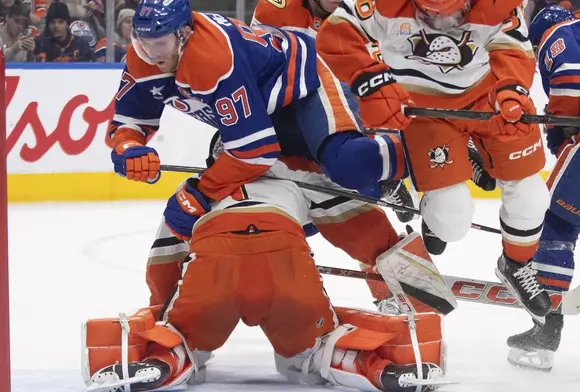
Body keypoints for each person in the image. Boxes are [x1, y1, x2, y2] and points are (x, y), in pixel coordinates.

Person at [107, 0, 430, 316]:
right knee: (298, 189)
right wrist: (129, 149)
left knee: (347, 165)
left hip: (306, 85)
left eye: (159, 43)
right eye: (142, 42)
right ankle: (164, 311)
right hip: (261, 118)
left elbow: (255, 152)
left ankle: (430, 152)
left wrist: (199, 193)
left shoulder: (213, 57)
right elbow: (127, 123)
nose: (152, 54)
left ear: (184, 34)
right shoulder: (144, 57)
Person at [86, 155, 446, 392]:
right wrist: (413, 292)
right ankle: (372, 366)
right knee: (316, 349)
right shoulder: (302, 174)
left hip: (213, 263)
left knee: (183, 338)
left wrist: (168, 320)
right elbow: (369, 235)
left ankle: (165, 359)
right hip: (284, 257)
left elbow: (164, 258)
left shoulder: (193, 190)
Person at [315, 0, 552, 322]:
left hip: (489, 96)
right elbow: (336, 34)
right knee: (451, 220)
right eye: (429, 13)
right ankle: (439, 203)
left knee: (531, 195)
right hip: (425, 109)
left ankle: (516, 264)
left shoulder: (498, 4)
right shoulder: (378, 5)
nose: (442, 21)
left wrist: (512, 94)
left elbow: (513, 50)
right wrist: (370, 83)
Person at [252, 0, 497, 256]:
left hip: (353, 109)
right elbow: (261, 76)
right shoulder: (275, 9)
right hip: (297, 109)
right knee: (333, 187)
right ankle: (405, 173)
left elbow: (394, 83)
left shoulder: (371, 12)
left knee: (346, 173)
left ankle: (432, 162)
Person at [505, 4, 577, 372]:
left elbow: (571, 80)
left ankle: (545, 331)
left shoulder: (558, 26)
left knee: (555, 225)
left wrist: (559, 128)